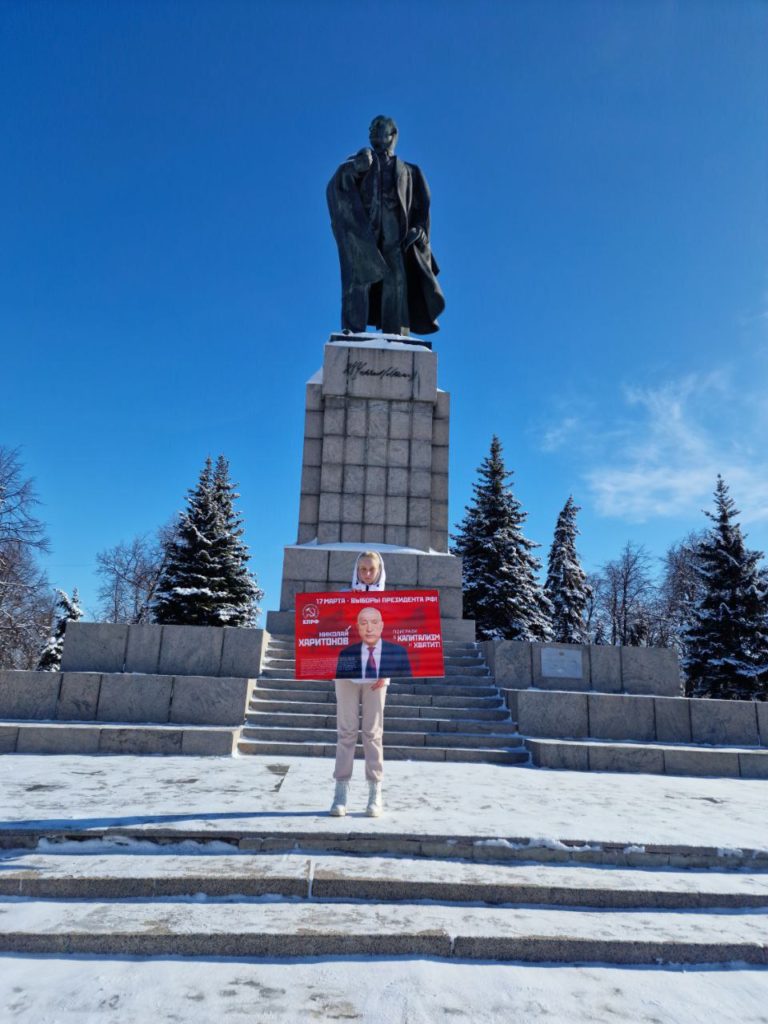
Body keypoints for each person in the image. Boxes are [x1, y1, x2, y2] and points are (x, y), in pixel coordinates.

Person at [326, 115, 445, 337]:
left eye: (378, 127)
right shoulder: (360, 163)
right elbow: (337, 186)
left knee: (397, 283)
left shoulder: (411, 171)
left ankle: (396, 335)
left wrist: (419, 231)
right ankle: (353, 332)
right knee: (358, 282)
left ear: (393, 135)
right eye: (370, 127)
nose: (372, 130)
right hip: (365, 235)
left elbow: (422, 210)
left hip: (396, 238)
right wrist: (354, 168)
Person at [330, 551, 408, 818]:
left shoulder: (389, 601)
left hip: (377, 675)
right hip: (346, 672)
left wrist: (388, 672)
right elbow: (328, 632)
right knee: (346, 731)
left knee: (373, 733)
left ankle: (375, 793)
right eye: (362, 569)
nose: (366, 574)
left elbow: (397, 637)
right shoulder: (342, 597)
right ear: (356, 570)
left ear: (379, 570)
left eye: (370, 569)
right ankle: (341, 792)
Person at [335, 607, 413, 679]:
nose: (369, 629)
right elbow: (342, 683)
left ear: (382, 626)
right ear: (358, 627)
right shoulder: (346, 653)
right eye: (364, 623)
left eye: (374, 622)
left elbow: (406, 683)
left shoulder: (399, 652)